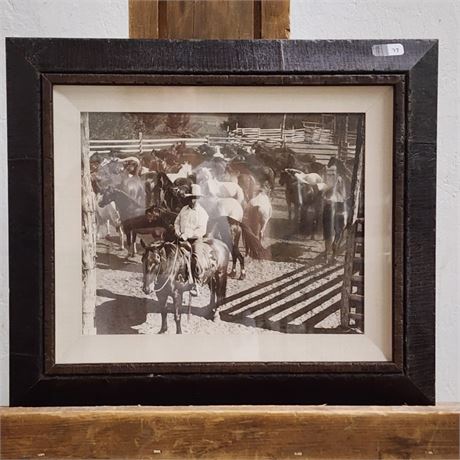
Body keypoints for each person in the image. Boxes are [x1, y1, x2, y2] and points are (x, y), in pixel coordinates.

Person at [174, 184, 209, 296]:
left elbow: (201, 230)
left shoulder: (202, 213)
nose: (192, 200)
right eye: (190, 198)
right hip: (181, 237)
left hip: (195, 239)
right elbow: (177, 222)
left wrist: (187, 235)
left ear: (198, 199)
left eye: (194, 198)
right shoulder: (184, 209)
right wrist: (178, 232)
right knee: (171, 253)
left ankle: (197, 284)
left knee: (196, 258)